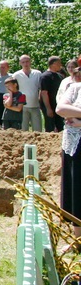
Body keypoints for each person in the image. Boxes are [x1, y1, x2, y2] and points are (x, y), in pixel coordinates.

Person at [57, 84, 81, 239]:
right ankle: (78, 239)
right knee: (77, 189)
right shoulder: (76, 88)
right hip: (75, 146)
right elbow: (61, 109)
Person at [14, 55, 43, 132]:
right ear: (20, 63)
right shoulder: (16, 75)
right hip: (22, 106)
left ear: (30, 62)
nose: (25, 64)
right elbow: (13, 89)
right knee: (23, 129)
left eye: (27, 61)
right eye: (23, 62)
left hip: (35, 105)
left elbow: (41, 88)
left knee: (38, 130)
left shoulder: (38, 73)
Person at [40, 56, 65, 133]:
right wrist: (48, 108)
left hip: (58, 105)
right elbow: (44, 93)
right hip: (49, 105)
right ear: (53, 64)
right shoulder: (45, 76)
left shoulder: (59, 76)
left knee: (61, 125)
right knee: (49, 126)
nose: (60, 65)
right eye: (59, 63)